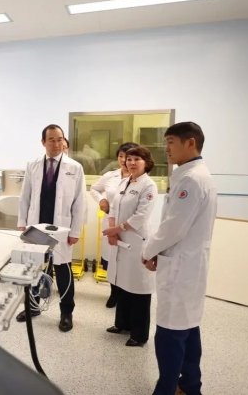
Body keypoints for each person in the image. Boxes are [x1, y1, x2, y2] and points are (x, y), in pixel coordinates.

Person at [142, 122, 217, 395]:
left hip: (181, 268)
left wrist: (148, 251)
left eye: (171, 142)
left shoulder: (191, 180)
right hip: (189, 265)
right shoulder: (197, 174)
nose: (166, 148)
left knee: (170, 334)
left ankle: (166, 389)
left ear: (190, 143)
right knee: (189, 328)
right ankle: (190, 386)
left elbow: (173, 228)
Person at [16, 124, 86, 332]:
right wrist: (22, 222)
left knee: (63, 270)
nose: (57, 144)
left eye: (60, 139)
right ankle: (33, 306)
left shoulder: (75, 167)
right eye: (52, 140)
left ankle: (66, 312)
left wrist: (75, 231)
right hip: (36, 226)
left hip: (61, 228)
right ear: (43, 142)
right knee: (35, 268)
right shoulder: (33, 165)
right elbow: (25, 196)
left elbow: (80, 202)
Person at [102, 146, 157, 347]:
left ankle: (139, 334)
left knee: (138, 288)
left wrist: (117, 229)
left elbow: (141, 216)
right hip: (119, 240)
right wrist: (112, 230)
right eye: (129, 159)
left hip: (136, 241)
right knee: (122, 284)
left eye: (137, 159)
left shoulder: (148, 186)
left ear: (146, 163)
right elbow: (113, 207)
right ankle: (122, 324)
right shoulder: (125, 182)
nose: (131, 163)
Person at [89, 142, 138, 307]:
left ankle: (126, 295)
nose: (124, 160)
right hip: (110, 224)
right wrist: (101, 200)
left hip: (129, 226)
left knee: (127, 262)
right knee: (111, 261)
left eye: (128, 157)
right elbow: (94, 189)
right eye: (121, 156)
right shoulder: (110, 175)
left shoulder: (140, 178)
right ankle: (114, 293)